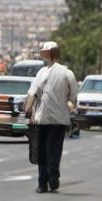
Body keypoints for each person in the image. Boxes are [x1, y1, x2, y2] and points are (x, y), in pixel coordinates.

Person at [25, 41, 79, 193]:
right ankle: (51, 178)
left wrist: (28, 111)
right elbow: (74, 97)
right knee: (53, 150)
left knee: (42, 152)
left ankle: (43, 183)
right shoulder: (67, 73)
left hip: (43, 119)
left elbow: (32, 95)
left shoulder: (43, 73)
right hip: (58, 120)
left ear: (51, 55)